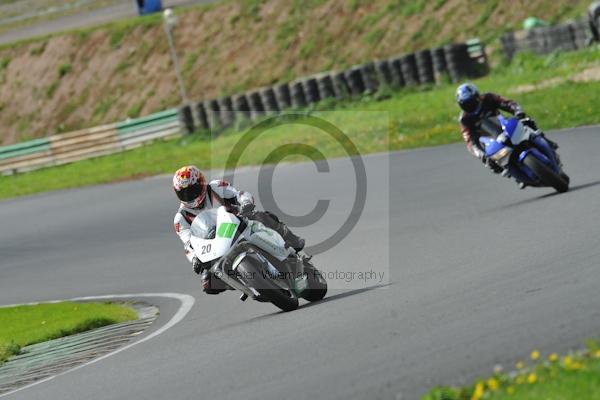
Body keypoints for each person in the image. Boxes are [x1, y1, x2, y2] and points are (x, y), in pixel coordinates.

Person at [172, 165, 305, 294]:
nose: (190, 195)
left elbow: (239, 194)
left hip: (239, 224)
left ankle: (291, 240)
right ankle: (245, 281)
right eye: (184, 193)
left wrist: (245, 202)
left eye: (193, 190)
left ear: (201, 183)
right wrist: (195, 259)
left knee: (262, 216)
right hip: (215, 246)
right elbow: (188, 244)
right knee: (208, 283)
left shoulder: (215, 187)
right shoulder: (180, 219)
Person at [455, 83, 558, 189]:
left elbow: (508, 103)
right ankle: (516, 176)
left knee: (527, 122)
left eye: (471, 102)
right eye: (465, 104)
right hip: (492, 141)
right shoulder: (464, 119)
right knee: (493, 165)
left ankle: (545, 140)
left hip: (504, 126)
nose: (470, 106)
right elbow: (469, 141)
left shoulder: (489, 98)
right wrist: (481, 155)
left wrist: (518, 112)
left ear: (477, 96)